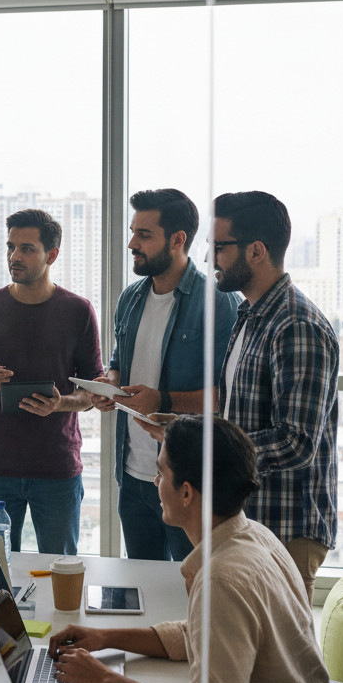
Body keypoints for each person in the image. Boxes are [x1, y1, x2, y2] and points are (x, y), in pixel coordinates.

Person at [49, 416, 343, 683]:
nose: (155, 482)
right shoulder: (256, 537)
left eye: (161, 473)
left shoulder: (223, 578)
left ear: (187, 492)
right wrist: (106, 637)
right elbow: (206, 636)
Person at [92, 189, 239, 562]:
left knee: (191, 593)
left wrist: (163, 400)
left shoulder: (218, 302)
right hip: (132, 476)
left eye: (144, 235)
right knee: (141, 589)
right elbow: (118, 360)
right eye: (132, 232)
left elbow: (229, 393)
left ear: (178, 240)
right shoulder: (130, 298)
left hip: (187, 483)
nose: (131, 244)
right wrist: (109, 383)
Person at [212, 191, 339, 606]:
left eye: (220, 247)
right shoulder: (249, 315)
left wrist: (212, 450)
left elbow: (296, 440)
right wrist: (186, 430)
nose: (212, 257)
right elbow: (238, 417)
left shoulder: (296, 324)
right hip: (255, 520)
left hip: (288, 528)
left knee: (284, 664)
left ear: (256, 251)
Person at [0, 208, 102, 556]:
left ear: (51, 254)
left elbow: (92, 392)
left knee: (62, 572)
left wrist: (61, 403)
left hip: (57, 468)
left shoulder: (78, 311)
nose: (14, 257)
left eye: (26, 248)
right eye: (10, 247)